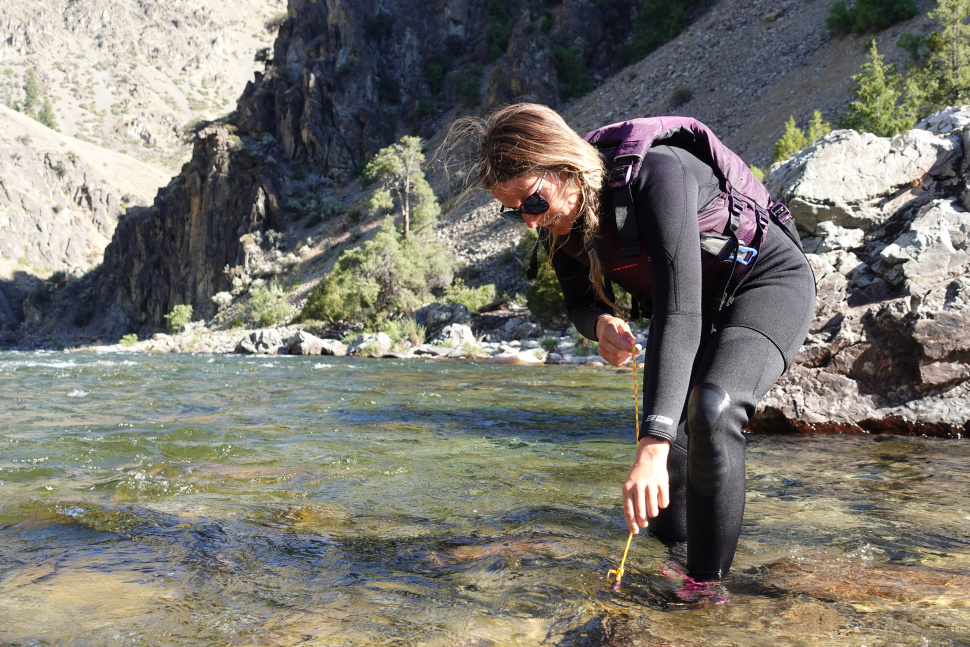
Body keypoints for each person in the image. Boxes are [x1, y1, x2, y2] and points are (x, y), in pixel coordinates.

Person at [447, 103, 816, 583]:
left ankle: (704, 592)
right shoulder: (564, 222)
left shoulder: (657, 175)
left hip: (765, 285)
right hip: (696, 309)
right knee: (676, 446)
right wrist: (600, 324)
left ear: (565, 168)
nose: (530, 222)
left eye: (534, 203)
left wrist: (651, 444)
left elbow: (677, 313)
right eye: (514, 212)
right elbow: (579, 302)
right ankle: (676, 562)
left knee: (710, 410)